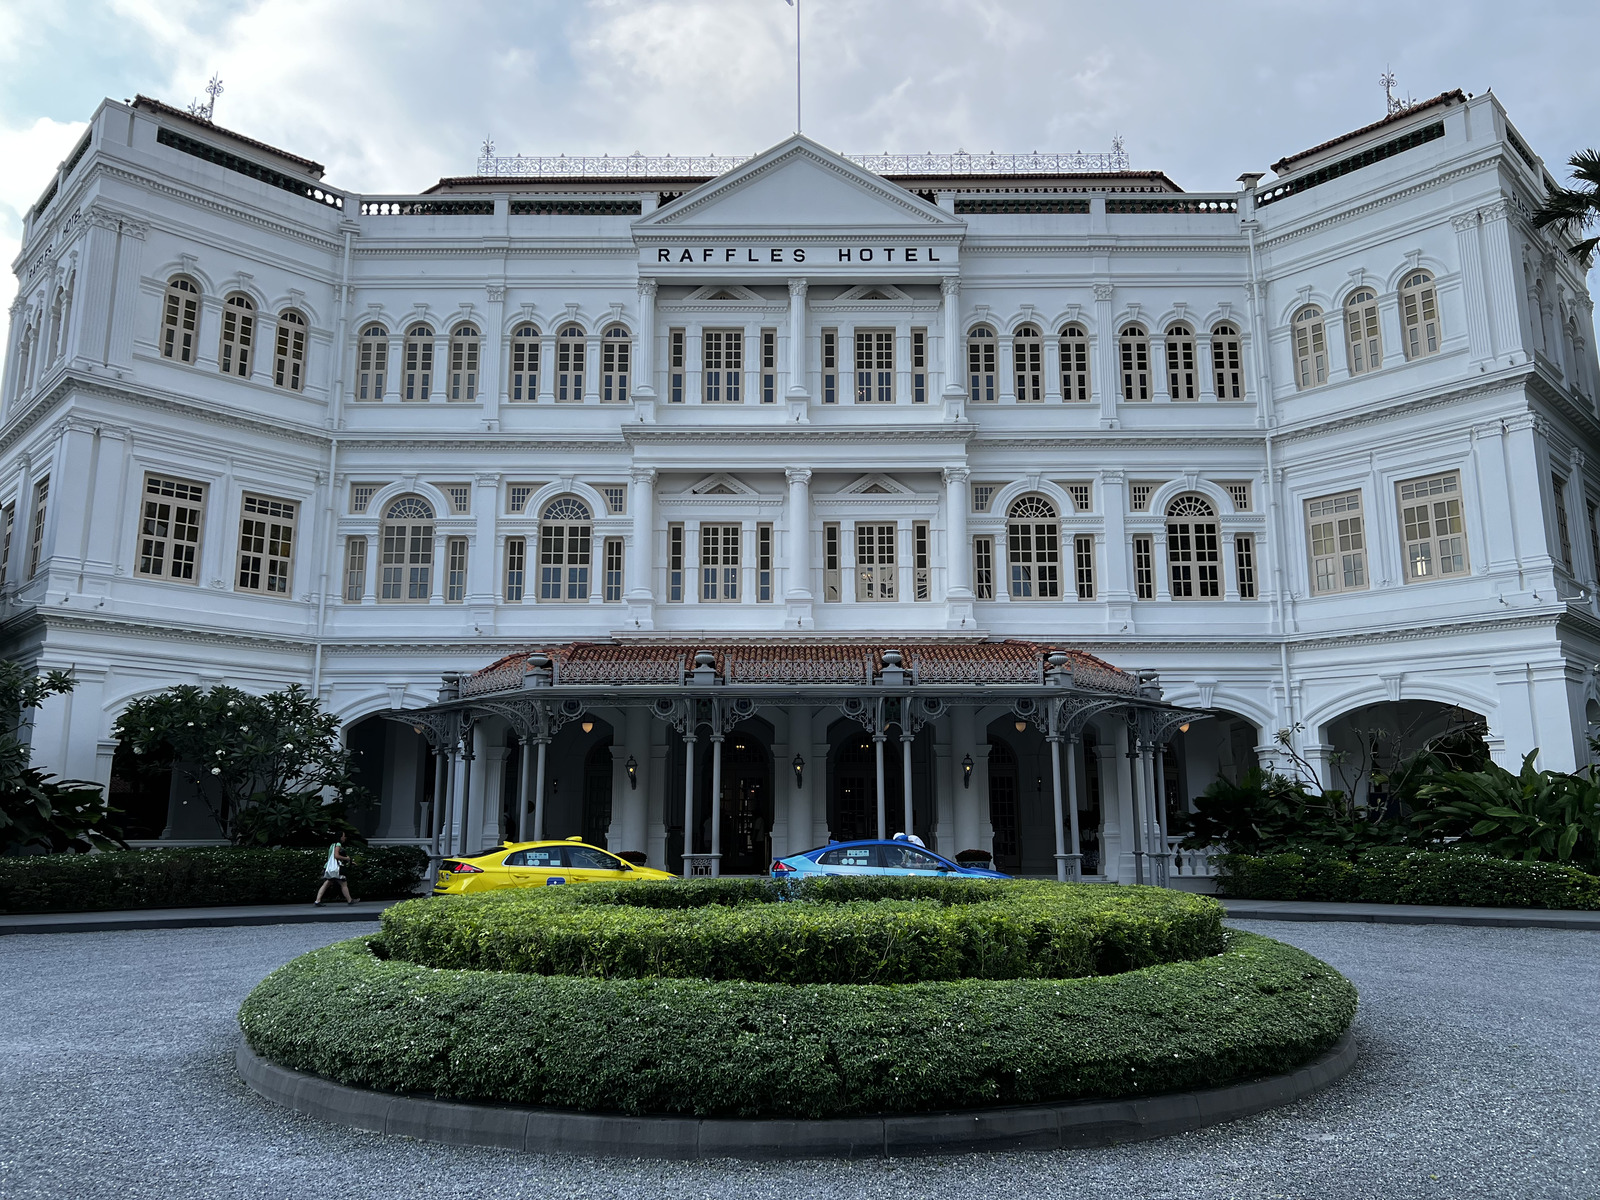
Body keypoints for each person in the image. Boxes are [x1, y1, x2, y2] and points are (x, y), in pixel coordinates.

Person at [313, 841, 355, 905]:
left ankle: (317, 900)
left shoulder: (332, 845)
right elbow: (336, 856)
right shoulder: (338, 844)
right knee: (343, 883)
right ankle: (349, 900)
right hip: (336, 869)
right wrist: (347, 858)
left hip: (329, 867)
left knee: (326, 883)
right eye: (343, 836)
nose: (345, 838)